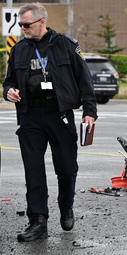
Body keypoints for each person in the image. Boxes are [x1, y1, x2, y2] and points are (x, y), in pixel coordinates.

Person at [3, 3, 97, 241]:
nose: (23, 28)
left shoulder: (66, 45)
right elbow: (9, 81)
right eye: (21, 24)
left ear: (42, 21)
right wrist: (9, 91)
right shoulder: (19, 49)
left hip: (60, 114)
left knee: (66, 169)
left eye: (27, 24)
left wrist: (90, 111)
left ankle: (66, 205)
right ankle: (38, 221)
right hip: (30, 116)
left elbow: (84, 79)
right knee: (33, 171)